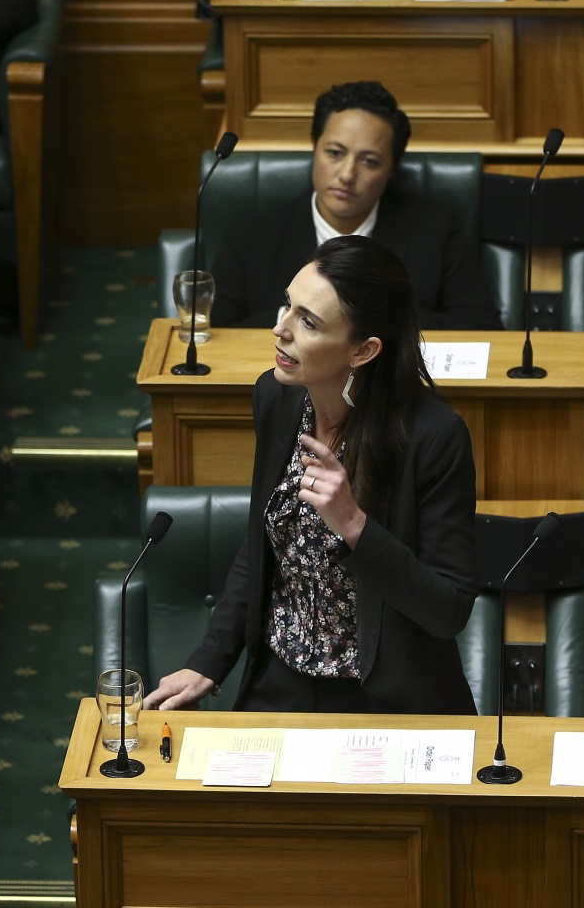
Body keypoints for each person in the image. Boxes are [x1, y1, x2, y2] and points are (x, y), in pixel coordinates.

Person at [146, 237, 479, 715]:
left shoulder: (432, 437)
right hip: (281, 683)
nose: (280, 329)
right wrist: (209, 661)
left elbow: (448, 611)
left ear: (363, 350)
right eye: (288, 305)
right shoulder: (277, 398)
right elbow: (261, 544)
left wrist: (355, 527)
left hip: (383, 698)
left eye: (308, 321)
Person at [210, 81, 498, 330]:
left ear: (392, 169)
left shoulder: (436, 231)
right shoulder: (251, 236)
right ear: (315, 147)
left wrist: (363, 313)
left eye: (369, 161)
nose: (347, 175)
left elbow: (482, 329)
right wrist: (295, 316)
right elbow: (216, 334)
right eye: (335, 153)